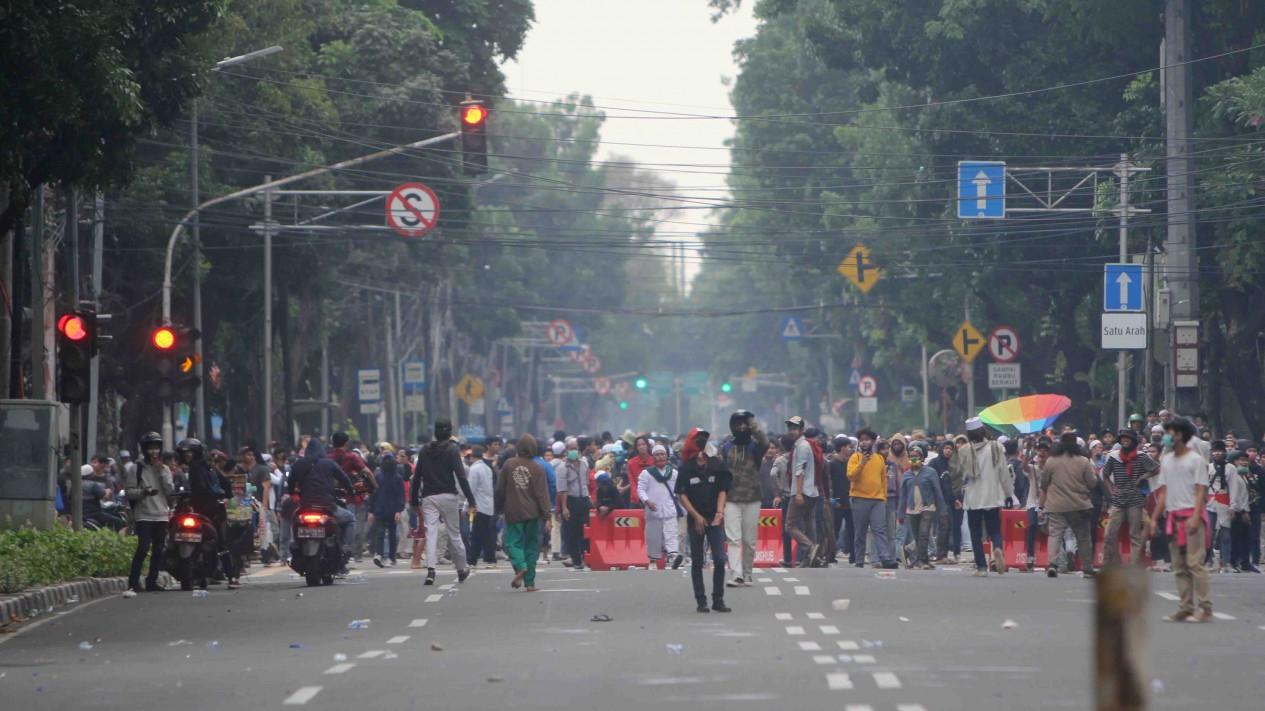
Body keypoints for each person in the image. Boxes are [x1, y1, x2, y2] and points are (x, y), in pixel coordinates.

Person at [1147, 418, 1213, 622]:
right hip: (1173, 517)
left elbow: (1201, 490)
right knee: (1179, 565)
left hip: (1192, 516)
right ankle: (1186, 606)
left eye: (1171, 433)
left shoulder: (1196, 460)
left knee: (1195, 563)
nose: (1166, 436)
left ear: (1181, 436)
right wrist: (1154, 519)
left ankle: (1205, 608)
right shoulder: (1166, 460)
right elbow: (1163, 492)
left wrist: (1195, 517)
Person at [409, 418, 476, 586]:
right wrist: (471, 499)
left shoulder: (424, 451)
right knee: (454, 533)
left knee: (431, 532)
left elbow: (417, 477)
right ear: (449, 432)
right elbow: (461, 477)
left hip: (429, 497)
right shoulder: (452, 450)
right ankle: (461, 569)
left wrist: (414, 502)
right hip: (449, 496)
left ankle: (431, 570)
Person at [676, 428, 732, 613]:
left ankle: (718, 599)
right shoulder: (686, 467)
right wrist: (696, 516)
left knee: (719, 557)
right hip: (696, 518)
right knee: (698, 560)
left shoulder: (717, 465)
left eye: (704, 439)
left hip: (714, 517)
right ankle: (701, 600)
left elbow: (723, 490)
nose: (701, 443)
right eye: (698, 439)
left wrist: (719, 512)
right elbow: (682, 495)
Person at [953, 418, 1013, 577]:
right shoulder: (996, 447)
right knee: (994, 529)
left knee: (975, 532)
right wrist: (1009, 494)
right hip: (993, 496)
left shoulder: (964, 450)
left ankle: (981, 567)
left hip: (973, 497)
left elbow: (961, 473)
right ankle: (997, 548)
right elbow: (1004, 473)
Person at [495, 435, 554, 591]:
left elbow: (500, 490)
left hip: (514, 511)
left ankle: (520, 566)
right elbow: (543, 494)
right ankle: (530, 583)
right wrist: (547, 516)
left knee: (512, 542)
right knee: (532, 547)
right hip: (533, 513)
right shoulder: (538, 468)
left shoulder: (509, 465)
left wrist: (497, 509)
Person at [1040, 431, 1099, 579]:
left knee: (1055, 535)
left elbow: (1044, 483)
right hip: (1079, 506)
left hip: (1056, 505)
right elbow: (1092, 483)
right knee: (1083, 537)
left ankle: (1053, 565)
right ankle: (1087, 568)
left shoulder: (1051, 461)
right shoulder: (1083, 461)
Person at [721, 410, 770, 587]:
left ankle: (748, 573)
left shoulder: (755, 446)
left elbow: (765, 441)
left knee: (749, 541)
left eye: (744, 424)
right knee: (733, 539)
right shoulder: (726, 447)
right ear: (733, 427)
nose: (742, 427)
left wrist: (752, 421)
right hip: (731, 499)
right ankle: (736, 574)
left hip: (752, 498)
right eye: (738, 424)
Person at [181, 438, 239, 587]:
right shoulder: (209, 467)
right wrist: (225, 497)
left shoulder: (195, 468)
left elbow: (200, 489)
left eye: (189, 453)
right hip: (215, 510)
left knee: (205, 542)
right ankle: (231, 576)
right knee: (220, 544)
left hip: (202, 511)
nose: (187, 456)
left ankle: (213, 574)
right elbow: (226, 483)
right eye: (185, 453)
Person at [124, 432, 173, 593]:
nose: (154, 451)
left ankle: (152, 580)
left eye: (156, 448)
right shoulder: (136, 468)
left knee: (159, 550)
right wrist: (143, 492)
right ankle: (133, 581)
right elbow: (129, 492)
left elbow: (169, 490)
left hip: (161, 514)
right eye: (151, 448)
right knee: (143, 548)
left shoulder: (165, 468)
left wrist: (161, 472)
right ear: (145, 449)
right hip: (144, 514)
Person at [848, 428, 897, 569]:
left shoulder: (879, 458)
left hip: (877, 500)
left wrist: (883, 498)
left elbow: (883, 480)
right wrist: (861, 463)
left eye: (867, 439)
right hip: (859, 499)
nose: (864, 442)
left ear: (873, 442)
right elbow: (851, 476)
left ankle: (885, 558)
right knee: (860, 532)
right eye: (861, 440)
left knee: (879, 530)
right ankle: (859, 560)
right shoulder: (855, 458)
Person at [329, 432, 377, 563]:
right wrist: (375, 486)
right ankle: (349, 551)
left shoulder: (327, 457)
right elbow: (367, 472)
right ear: (346, 443)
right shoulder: (350, 457)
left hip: (329, 497)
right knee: (352, 522)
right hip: (349, 497)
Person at [898, 443, 947, 569]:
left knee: (924, 533)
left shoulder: (930, 472)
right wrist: (901, 514)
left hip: (927, 507)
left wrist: (942, 510)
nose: (914, 459)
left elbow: (937, 491)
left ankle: (920, 560)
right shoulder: (907, 474)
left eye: (917, 456)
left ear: (922, 458)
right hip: (912, 509)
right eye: (912, 456)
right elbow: (903, 495)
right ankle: (923, 559)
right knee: (917, 536)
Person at [639, 444, 683, 569]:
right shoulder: (646, 473)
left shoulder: (674, 473)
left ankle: (674, 557)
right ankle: (653, 561)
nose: (660, 457)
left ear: (666, 455)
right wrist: (647, 501)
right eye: (657, 455)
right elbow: (640, 490)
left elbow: (678, 490)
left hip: (669, 509)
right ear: (653, 457)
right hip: (653, 510)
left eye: (662, 454)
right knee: (653, 536)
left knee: (671, 534)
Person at [783, 416, 819, 567]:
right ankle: (812, 559)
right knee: (808, 526)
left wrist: (798, 493)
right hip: (811, 491)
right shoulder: (802, 445)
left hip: (802, 491)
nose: (792, 431)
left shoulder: (802, 446)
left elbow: (800, 471)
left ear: (801, 430)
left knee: (790, 525)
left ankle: (810, 548)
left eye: (795, 429)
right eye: (790, 429)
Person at [558, 438, 592, 570]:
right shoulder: (563, 467)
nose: (573, 451)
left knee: (585, 530)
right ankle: (576, 560)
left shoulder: (584, 464)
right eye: (571, 448)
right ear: (566, 451)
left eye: (575, 448)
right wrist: (564, 507)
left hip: (584, 500)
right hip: (570, 501)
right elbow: (563, 489)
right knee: (571, 533)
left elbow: (586, 482)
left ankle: (586, 557)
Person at [369, 451, 406, 568]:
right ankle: (380, 555)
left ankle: (391, 557)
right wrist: (371, 511)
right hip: (380, 510)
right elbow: (373, 494)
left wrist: (399, 510)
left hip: (391, 511)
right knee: (382, 534)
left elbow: (400, 495)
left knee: (392, 535)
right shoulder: (378, 477)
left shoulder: (397, 478)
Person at [466, 445, 499, 569]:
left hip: (478, 506)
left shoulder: (474, 470)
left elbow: (471, 490)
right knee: (487, 534)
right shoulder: (487, 468)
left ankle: (472, 561)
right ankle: (489, 559)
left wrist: (465, 508)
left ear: (472, 457)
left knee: (476, 535)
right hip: (489, 506)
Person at [829, 436, 854, 564]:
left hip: (850, 501)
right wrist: (831, 499)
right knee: (835, 530)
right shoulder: (832, 464)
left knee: (852, 530)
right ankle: (830, 555)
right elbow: (829, 482)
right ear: (842, 447)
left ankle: (854, 556)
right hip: (837, 503)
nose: (851, 449)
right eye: (849, 447)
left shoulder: (850, 463)